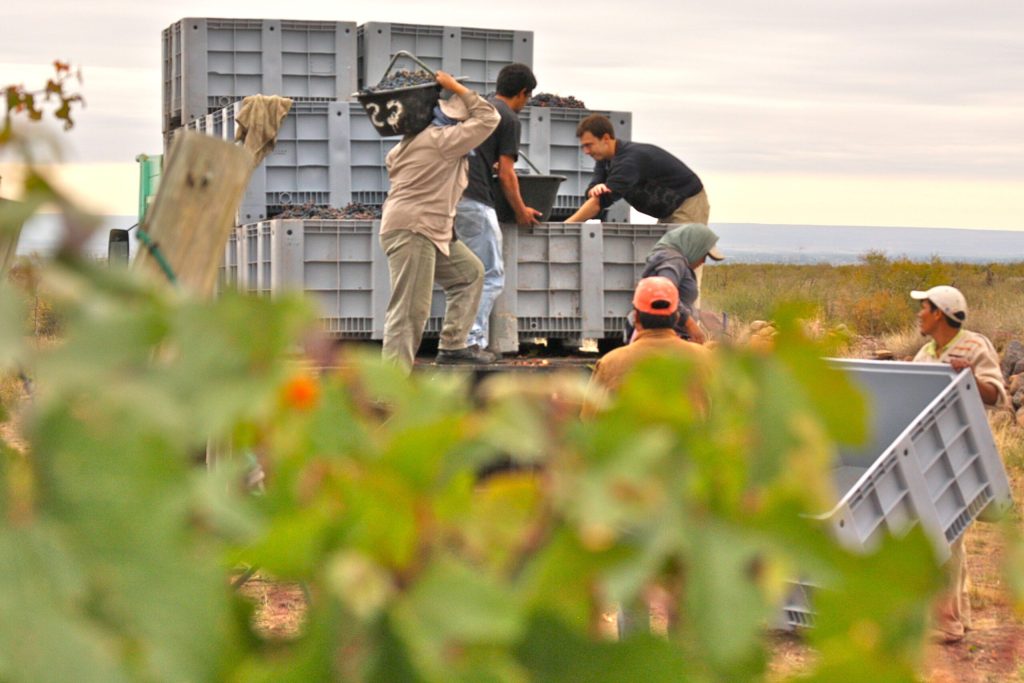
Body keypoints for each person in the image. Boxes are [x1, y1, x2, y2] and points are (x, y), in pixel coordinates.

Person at [379, 72, 500, 371]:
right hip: (414, 230)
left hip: (428, 228)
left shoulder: (406, 145)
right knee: (408, 311)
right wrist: (456, 87)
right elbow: (488, 117)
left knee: (470, 273)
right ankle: (388, 390)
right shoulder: (442, 140)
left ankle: (453, 345)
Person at [909, 285, 1008, 643]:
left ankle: (947, 621)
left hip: (964, 459)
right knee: (947, 537)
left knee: (946, 536)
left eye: (924, 308)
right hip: (931, 458)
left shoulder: (975, 347)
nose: (919, 314)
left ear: (940, 313)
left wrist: (970, 376)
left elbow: (997, 395)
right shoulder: (924, 354)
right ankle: (956, 617)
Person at [454, 63, 541, 358]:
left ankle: (457, 340)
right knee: (489, 273)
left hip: (451, 198)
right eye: (527, 99)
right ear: (523, 93)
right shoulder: (508, 118)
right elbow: (506, 173)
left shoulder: (482, 109)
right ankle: (470, 341)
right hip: (475, 200)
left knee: (463, 272)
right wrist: (521, 210)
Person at [583, 275, 710, 420]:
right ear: (676, 318)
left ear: (636, 319)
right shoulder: (706, 358)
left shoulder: (610, 363)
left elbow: (590, 420)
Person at [564, 114, 709, 226]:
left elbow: (597, 204)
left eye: (589, 145)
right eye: (583, 146)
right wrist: (594, 189)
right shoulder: (604, 160)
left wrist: (566, 226)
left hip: (687, 203)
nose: (586, 151)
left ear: (606, 138)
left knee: (680, 258)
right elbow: (592, 195)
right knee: (665, 258)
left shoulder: (628, 162)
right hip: (668, 210)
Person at [627, 223, 724, 344]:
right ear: (694, 246)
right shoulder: (673, 260)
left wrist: (698, 314)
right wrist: (690, 324)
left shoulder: (673, 259)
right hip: (664, 339)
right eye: (704, 254)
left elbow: (676, 299)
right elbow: (663, 296)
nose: (703, 260)